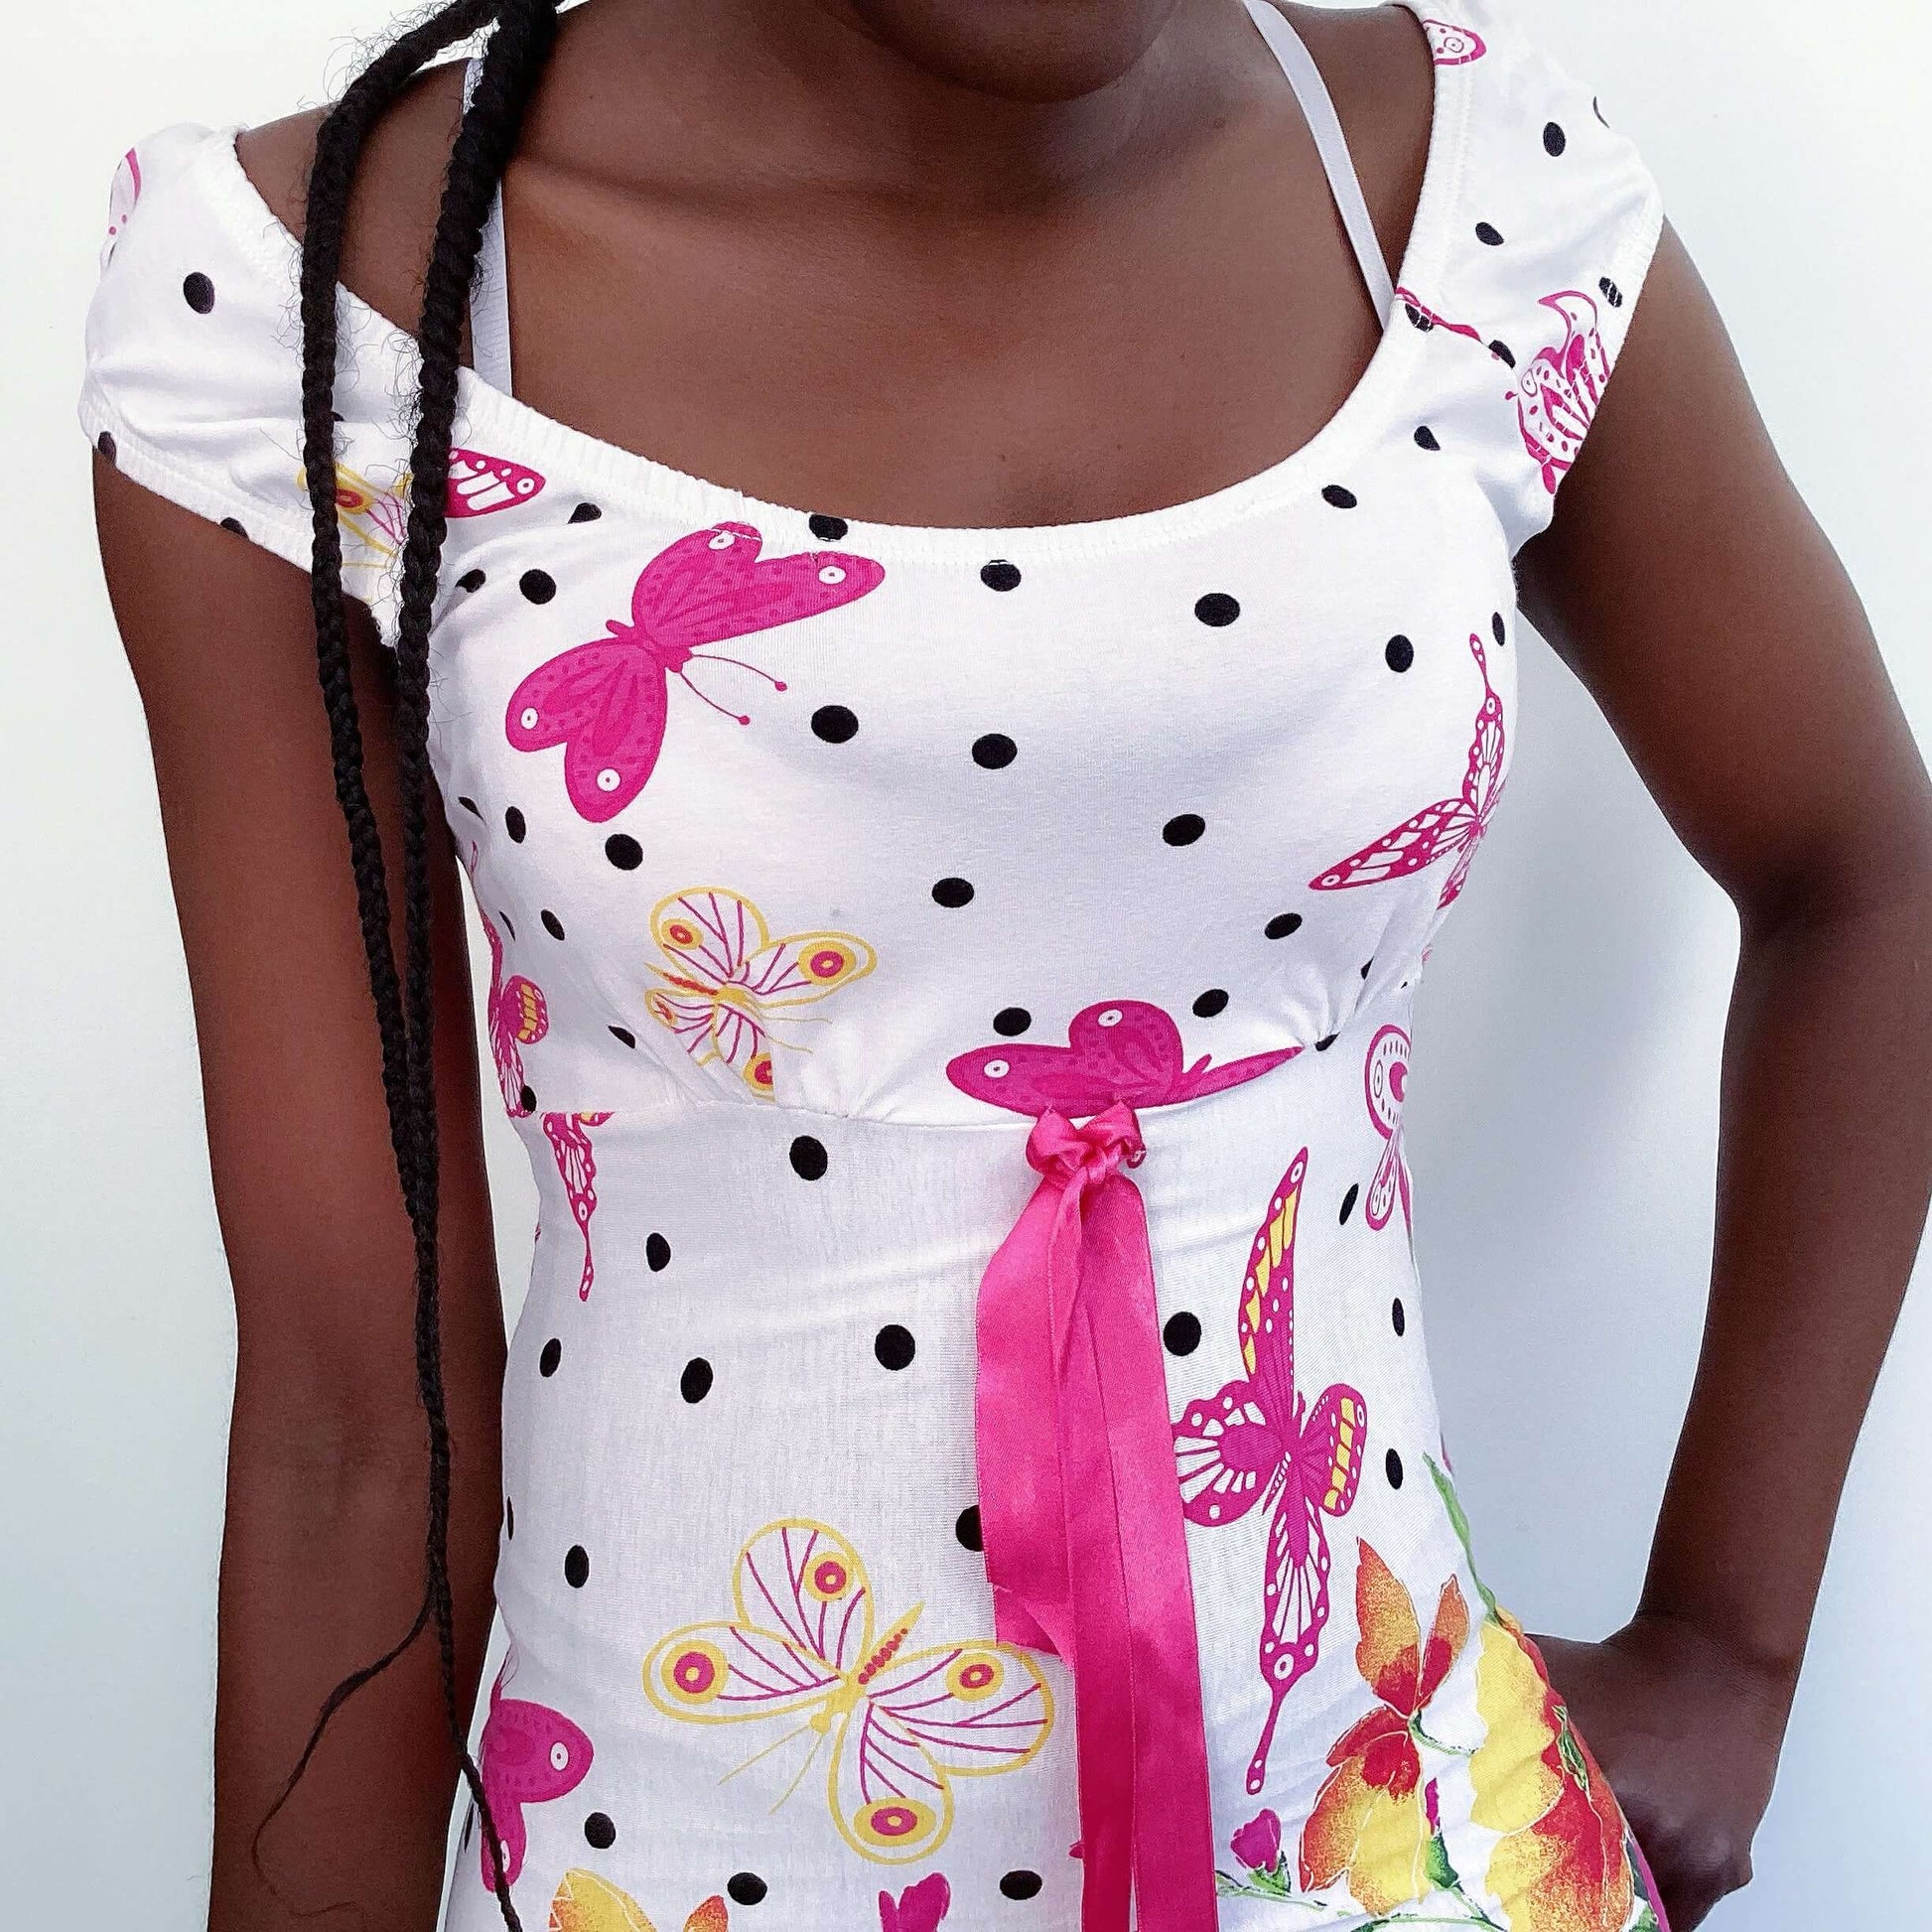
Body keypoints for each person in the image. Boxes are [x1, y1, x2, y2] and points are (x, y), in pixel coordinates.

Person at [80, 1, 1931, 1928]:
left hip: (1400, 1854)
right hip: (680, 1863)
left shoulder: (1456, 207)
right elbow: (350, 1422)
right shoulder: (321, 329)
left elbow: (1861, 873)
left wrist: (1735, 1647)